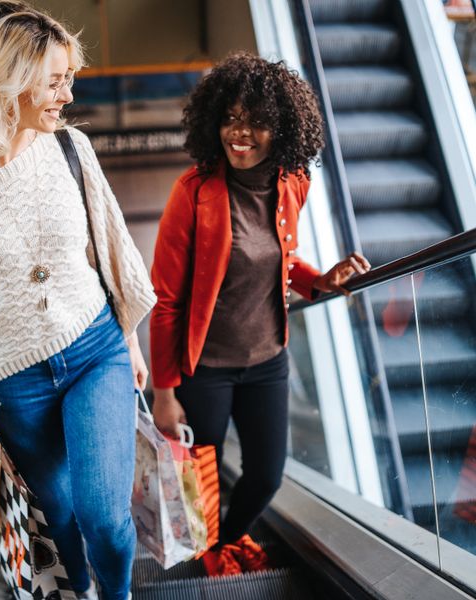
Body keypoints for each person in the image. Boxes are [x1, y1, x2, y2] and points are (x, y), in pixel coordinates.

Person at [0, 3, 156, 599]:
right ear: (7, 80)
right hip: (15, 385)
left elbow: (111, 249)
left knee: (106, 524)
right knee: (57, 528)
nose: (67, 95)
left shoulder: (69, 148)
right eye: (55, 81)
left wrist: (130, 340)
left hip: (96, 351)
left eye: (69, 78)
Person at [150, 52, 370, 577]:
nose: (239, 133)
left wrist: (317, 282)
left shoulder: (293, 182)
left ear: (283, 129)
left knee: (267, 475)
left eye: (256, 122)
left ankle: (222, 544)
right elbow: (167, 301)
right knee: (199, 475)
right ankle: (205, 556)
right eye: (230, 119)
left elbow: (280, 257)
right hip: (206, 367)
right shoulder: (194, 193)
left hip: (268, 357)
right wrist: (164, 394)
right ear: (213, 121)